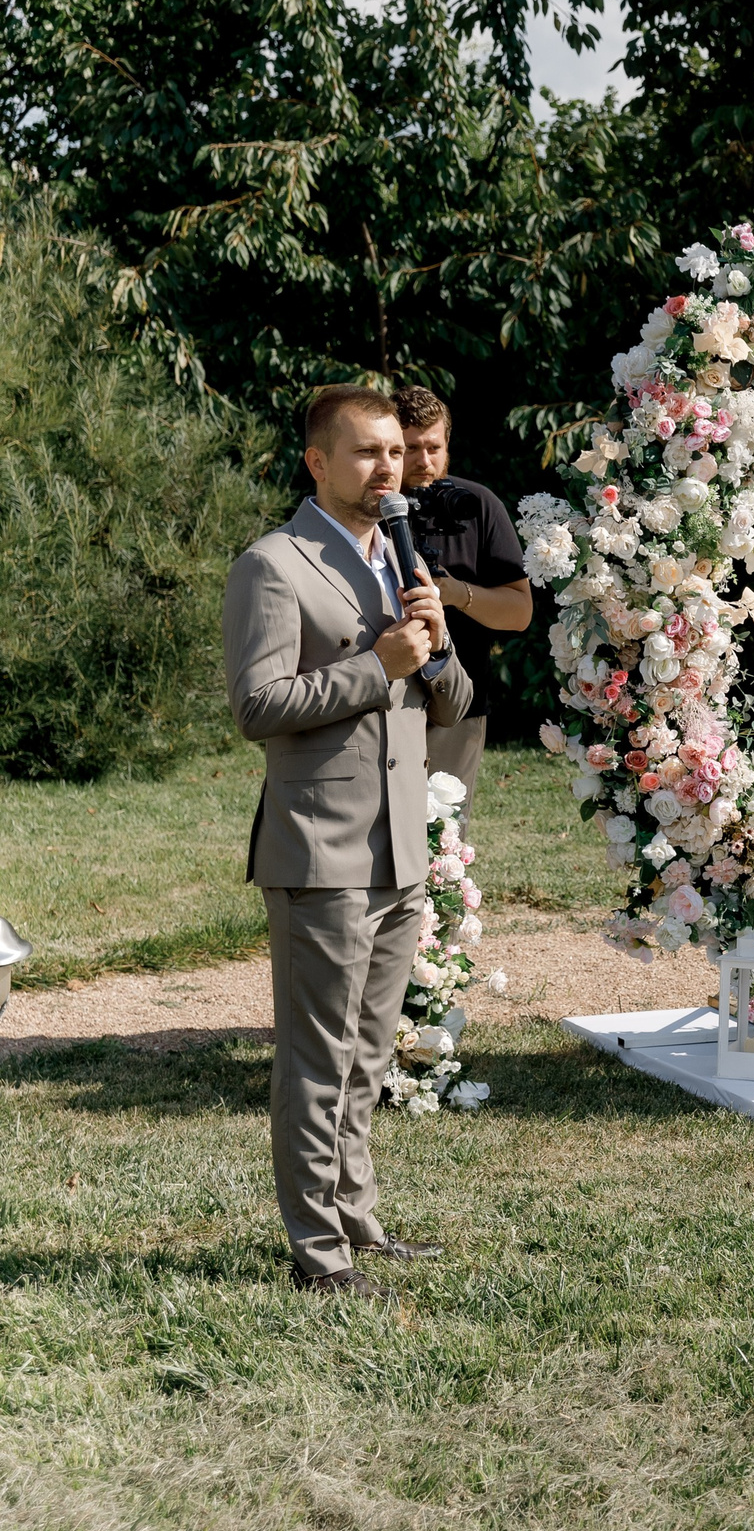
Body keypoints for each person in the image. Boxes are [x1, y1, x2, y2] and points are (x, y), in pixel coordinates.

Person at [223, 384, 472, 1296]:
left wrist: (437, 647)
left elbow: (458, 703)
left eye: (395, 453)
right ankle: (316, 1254)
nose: (387, 468)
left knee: (368, 1058)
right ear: (316, 463)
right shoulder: (273, 565)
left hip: (401, 846)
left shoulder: (399, 563)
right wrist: (379, 666)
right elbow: (258, 707)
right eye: (365, 453)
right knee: (316, 1060)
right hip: (321, 848)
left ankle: (358, 1221)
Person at [393, 386, 529, 830]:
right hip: (382, 702)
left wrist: (456, 595)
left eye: (434, 447)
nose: (424, 461)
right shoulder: (366, 509)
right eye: (409, 448)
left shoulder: (477, 506)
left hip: (461, 700)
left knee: (444, 837)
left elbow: (519, 611)